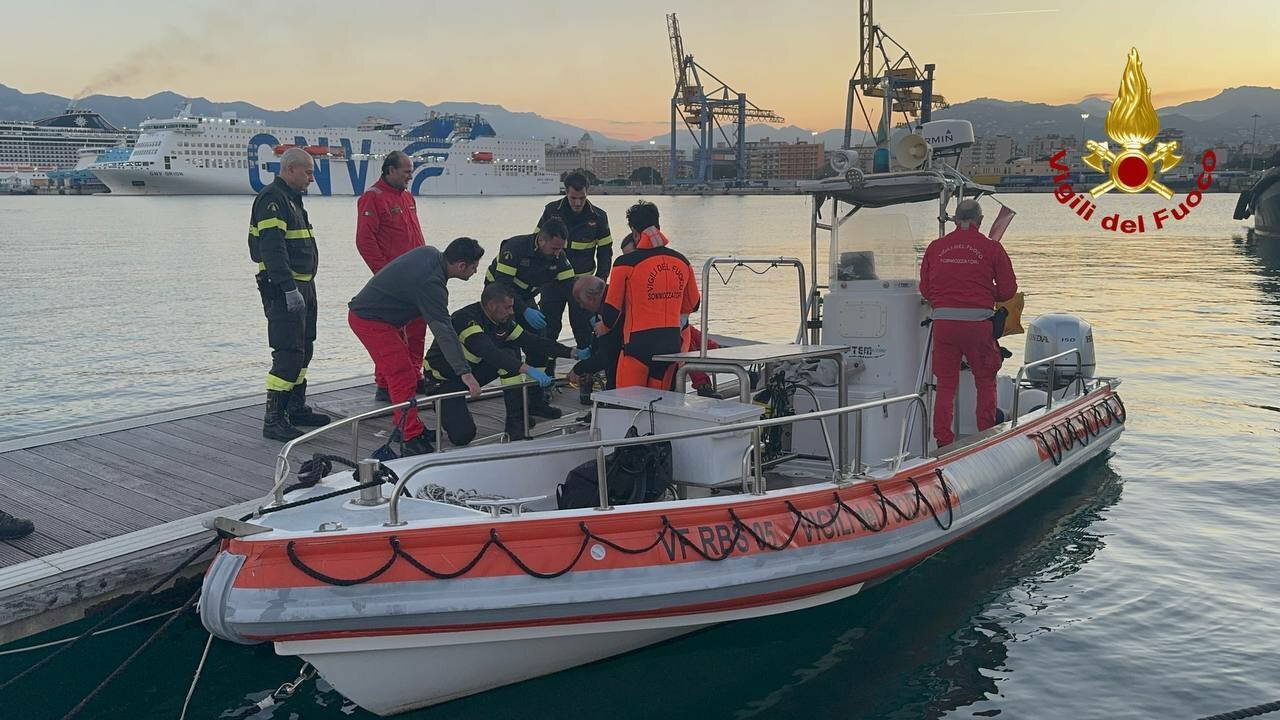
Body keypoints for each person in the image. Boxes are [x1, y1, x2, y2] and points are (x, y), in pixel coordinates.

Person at [348, 238, 485, 456]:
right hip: (371, 320)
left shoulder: (430, 253)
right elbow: (444, 332)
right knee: (402, 376)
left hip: (386, 318)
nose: (476, 271)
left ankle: (409, 426)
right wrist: (465, 373)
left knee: (408, 375)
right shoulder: (432, 284)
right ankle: (410, 438)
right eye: (474, 266)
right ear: (461, 266)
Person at [424, 283, 586, 443]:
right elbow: (488, 351)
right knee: (462, 436)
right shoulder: (465, 319)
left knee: (510, 353)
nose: (512, 312)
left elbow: (532, 341)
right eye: (507, 308)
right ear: (492, 306)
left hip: (471, 373)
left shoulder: (502, 320)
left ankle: (516, 424)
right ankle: (447, 408)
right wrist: (528, 369)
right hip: (445, 381)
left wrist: (573, 353)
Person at [919, 199, 1018, 448]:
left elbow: (926, 289)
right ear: (980, 220)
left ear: (954, 220)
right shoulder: (992, 248)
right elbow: (1008, 291)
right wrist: (986, 293)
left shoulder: (935, 247)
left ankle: (943, 441)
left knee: (945, 385)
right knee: (985, 380)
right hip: (978, 325)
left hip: (944, 325)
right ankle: (985, 436)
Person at [249, 147, 331, 441]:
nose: (311, 178)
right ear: (290, 169)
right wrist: (288, 288)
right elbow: (272, 249)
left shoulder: (292, 200)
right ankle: (273, 419)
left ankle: (295, 407)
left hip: (304, 285)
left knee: (304, 346)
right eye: (308, 172)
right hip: (285, 288)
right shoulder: (273, 199)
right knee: (288, 352)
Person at [600, 201, 701, 389]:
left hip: (637, 346)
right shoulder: (682, 261)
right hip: (671, 346)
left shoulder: (624, 263)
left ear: (634, 232)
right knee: (660, 402)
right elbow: (693, 304)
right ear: (658, 225)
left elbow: (611, 313)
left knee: (629, 402)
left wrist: (603, 326)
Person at [483, 218, 576, 419]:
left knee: (540, 345)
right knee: (511, 350)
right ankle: (517, 414)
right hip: (498, 297)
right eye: (554, 248)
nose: (558, 253)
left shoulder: (559, 257)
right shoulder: (514, 248)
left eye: (561, 248)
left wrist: (589, 318)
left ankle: (536, 401)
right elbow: (503, 286)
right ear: (541, 240)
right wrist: (524, 311)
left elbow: (571, 289)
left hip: (525, 298)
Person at [535, 172, 613, 404]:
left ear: (587, 192)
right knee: (549, 331)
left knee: (585, 334)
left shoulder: (599, 216)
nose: (577, 203)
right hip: (553, 283)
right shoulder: (552, 211)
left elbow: (605, 252)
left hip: (583, 286)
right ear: (566, 192)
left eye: (581, 198)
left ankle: (586, 384)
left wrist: (600, 282)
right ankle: (546, 383)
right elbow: (538, 243)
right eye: (573, 198)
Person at [356, 150, 427, 402]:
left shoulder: (407, 196)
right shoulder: (372, 198)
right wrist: (384, 275)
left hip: (416, 276)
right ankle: (385, 383)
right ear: (390, 170)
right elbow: (365, 240)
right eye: (406, 171)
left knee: (418, 327)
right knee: (392, 331)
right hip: (394, 279)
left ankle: (414, 374)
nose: (410, 176)